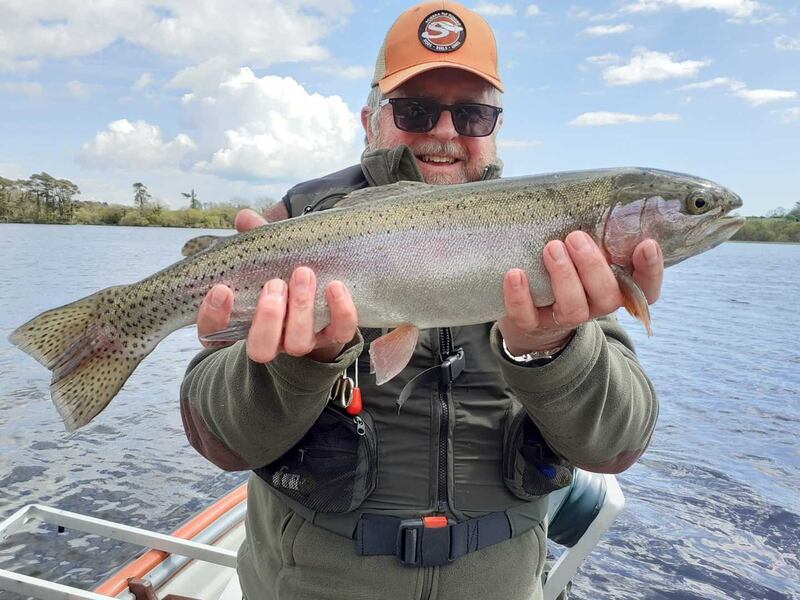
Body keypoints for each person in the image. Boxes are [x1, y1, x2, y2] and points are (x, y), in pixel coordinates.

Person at [180, 2, 662, 599]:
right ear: (370, 120)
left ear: (495, 126)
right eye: (415, 109)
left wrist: (556, 348)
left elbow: (619, 444)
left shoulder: (560, 251)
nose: (444, 130)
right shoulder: (296, 226)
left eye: (472, 112)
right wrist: (296, 364)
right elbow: (217, 439)